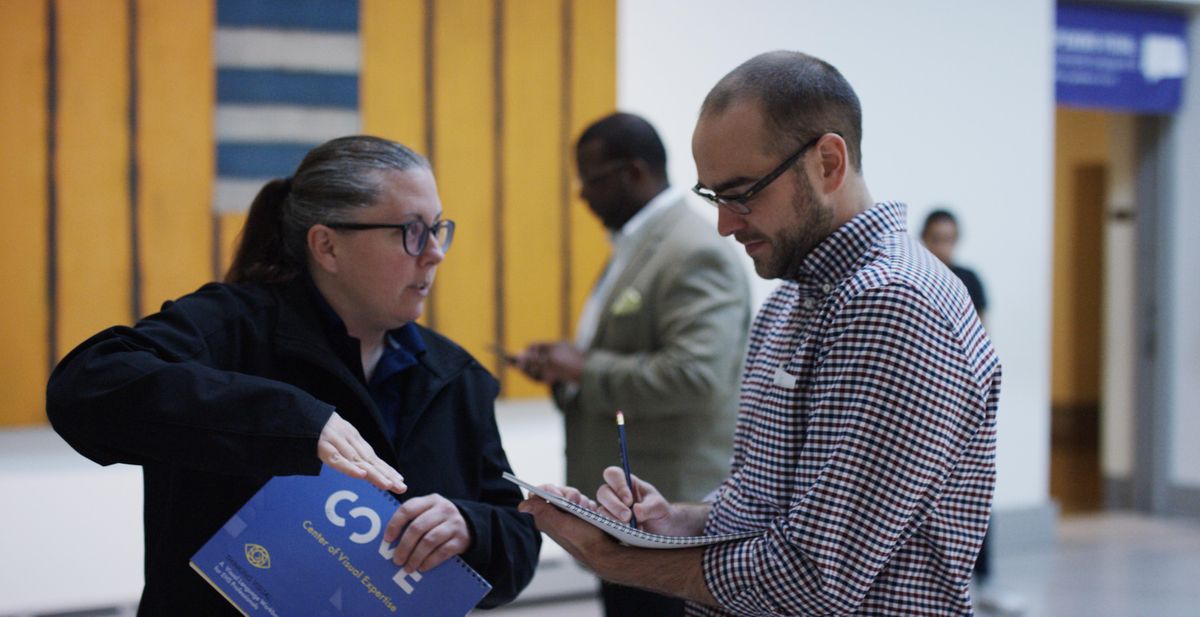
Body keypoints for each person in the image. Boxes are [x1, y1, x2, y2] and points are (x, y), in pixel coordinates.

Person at [520, 51, 1001, 616]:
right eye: (713, 197)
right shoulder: (794, 296)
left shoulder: (890, 304)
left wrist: (620, 562)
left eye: (743, 192)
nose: (725, 224)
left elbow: (814, 577)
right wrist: (674, 521)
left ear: (827, 163)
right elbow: (765, 498)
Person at [46, 135, 540, 615]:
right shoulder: (230, 327)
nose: (434, 252)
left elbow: (517, 546)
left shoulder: (456, 376)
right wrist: (296, 421)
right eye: (410, 232)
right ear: (327, 246)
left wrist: (470, 527)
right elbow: (86, 385)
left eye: (438, 229)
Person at [513, 112, 752, 617]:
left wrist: (584, 369)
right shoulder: (638, 243)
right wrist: (564, 374)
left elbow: (697, 377)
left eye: (592, 179)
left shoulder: (691, 250)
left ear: (634, 172)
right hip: (627, 514)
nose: (582, 196)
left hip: (669, 517)